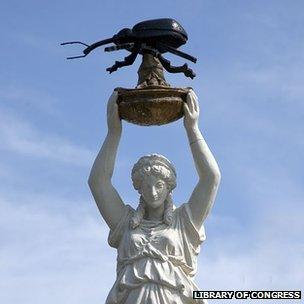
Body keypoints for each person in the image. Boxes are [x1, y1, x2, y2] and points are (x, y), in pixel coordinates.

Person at [88, 90, 221, 304]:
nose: (153, 192)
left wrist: (192, 128)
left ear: (169, 188)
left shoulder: (184, 223)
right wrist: (113, 133)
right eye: (146, 186)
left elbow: (211, 178)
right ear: (138, 188)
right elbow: (98, 182)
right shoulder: (126, 224)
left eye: (159, 185)